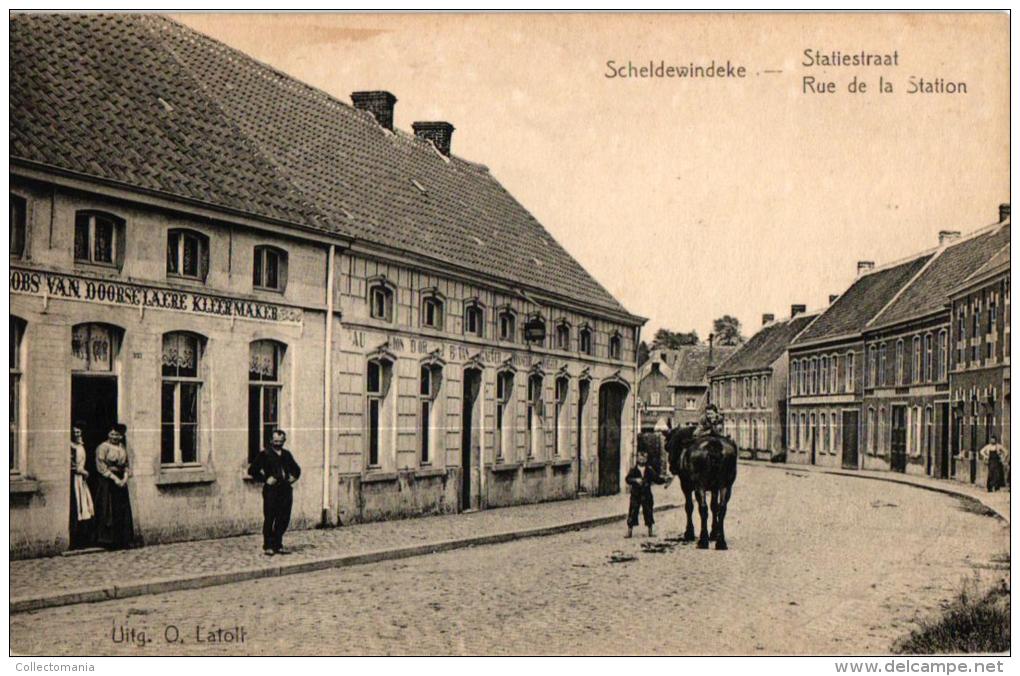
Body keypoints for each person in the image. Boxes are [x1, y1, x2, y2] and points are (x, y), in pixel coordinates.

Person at [248, 429, 301, 555]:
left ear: (284, 441)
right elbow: (252, 470)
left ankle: (278, 544)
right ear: (271, 441)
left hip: (285, 490)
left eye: (281, 441)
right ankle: (268, 545)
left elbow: (297, 470)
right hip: (271, 491)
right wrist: (266, 479)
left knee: (283, 518)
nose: (278, 443)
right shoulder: (264, 454)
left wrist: (292, 479)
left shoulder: (287, 455)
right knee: (270, 517)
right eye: (276, 441)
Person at [94, 423, 135, 549]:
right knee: (108, 508)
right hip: (108, 481)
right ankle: (108, 540)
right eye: (111, 434)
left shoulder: (122, 448)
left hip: (121, 480)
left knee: (121, 509)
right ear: (108, 434)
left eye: (117, 434)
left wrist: (124, 478)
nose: (114, 437)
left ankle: (122, 539)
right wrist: (115, 479)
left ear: (121, 436)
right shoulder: (103, 447)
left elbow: (127, 465)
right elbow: (101, 466)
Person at [625, 449, 670, 538]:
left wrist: (665, 479)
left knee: (648, 511)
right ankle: (629, 532)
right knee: (633, 511)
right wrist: (635, 480)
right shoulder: (633, 470)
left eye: (644, 458)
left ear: (646, 459)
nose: (642, 460)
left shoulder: (649, 470)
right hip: (635, 494)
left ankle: (650, 532)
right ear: (637, 458)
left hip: (647, 494)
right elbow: (627, 479)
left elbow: (656, 479)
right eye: (640, 458)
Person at [69, 422, 95, 549]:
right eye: (74, 433)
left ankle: (84, 538)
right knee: (77, 506)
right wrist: (83, 471)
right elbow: (72, 465)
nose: (77, 435)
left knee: (85, 506)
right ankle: (75, 540)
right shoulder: (71, 447)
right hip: (75, 479)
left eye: (79, 432)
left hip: (81, 479)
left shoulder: (80, 445)